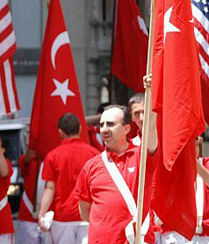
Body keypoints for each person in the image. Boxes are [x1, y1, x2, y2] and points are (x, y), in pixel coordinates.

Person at [74, 104, 158, 244]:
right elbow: (85, 211)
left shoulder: (142, 156)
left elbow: (150, 129)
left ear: (127, 129)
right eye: (102, 125)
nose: (104, 129)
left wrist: (153, 88)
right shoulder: (91, 165)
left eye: (111, 124)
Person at [156, 136, 209, 244]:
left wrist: (194, 164)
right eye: (188, 148)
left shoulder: (206, 163)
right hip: (185, 233)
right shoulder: (173, 169)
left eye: (194, 146)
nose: (192, 150)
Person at [38, 113, 98, 243]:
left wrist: (42, 213)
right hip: (88, 215)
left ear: (60, 132)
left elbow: (49, 188)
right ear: (80, 129)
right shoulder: (94, 154)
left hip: (62, 217)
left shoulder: (52, 156)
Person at [17, 148, 46, 244]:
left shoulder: (55, 158)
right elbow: (25, 160)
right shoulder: (28, 160)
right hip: (28, 213)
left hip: (49, 214)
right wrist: (34, 143)